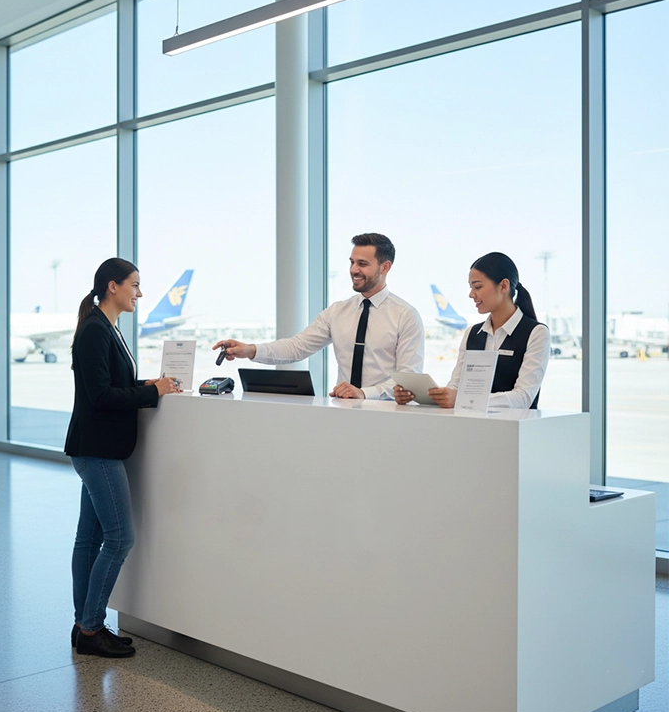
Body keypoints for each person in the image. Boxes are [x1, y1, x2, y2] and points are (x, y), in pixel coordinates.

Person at [65, 258, 181, 659]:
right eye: (134, 285)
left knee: (90, 539)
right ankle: (92, 628)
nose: (140, 293)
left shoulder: (105, 328)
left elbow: (110, 384)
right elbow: (100, 396)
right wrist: (153, 393)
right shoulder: (96, 330)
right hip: (98, 450)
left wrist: (144, 383)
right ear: (112, 286)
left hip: (94, 447)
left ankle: (85, 624)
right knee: (119, 538)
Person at [213, 233, 425, 399]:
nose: (353, 270)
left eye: (362, 264)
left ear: (385, 267)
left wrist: (364, 393)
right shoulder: (337, 311)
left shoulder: (405, 315)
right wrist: (249, 350)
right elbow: (296, 347)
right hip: (342, 411)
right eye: (351, 262)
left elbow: (409, 379)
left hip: (387, 417)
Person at [395, 252, 549, 410]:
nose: (471, 294)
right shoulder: (472, 333)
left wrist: (463, 400)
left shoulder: (536, 333)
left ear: (503, 286)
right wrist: (421, 395)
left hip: (515, 430)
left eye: (478, 287)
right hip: (474, 427)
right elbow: (455, 384)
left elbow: (524, 397)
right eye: (471, 287)